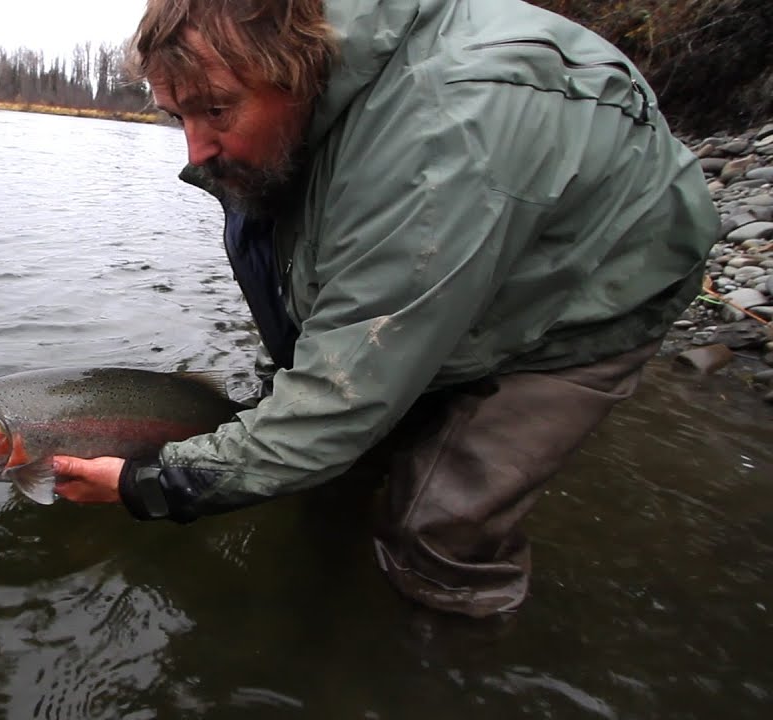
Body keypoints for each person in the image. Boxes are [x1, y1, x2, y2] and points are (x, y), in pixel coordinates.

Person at [51, 0, 719, 617]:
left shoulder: (440, 134)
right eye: (179, 117)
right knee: (336, 469)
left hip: (591, 290)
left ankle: (443, 656)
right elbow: (326, 303)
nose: (194, 152)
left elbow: (340, 403)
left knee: (435, 530)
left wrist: (151, 484)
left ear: (297, 68)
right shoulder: (311, 112)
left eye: (217, 111)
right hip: (460, 232)